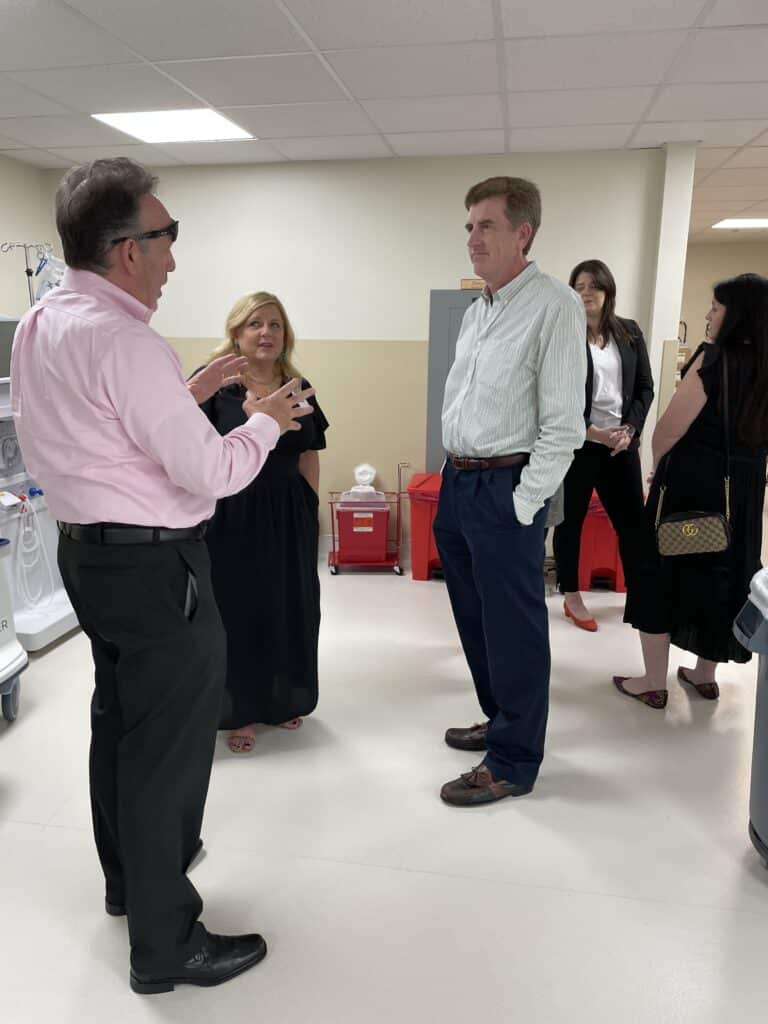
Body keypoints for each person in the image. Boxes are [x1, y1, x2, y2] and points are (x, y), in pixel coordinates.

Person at [10, 158, 315, 994]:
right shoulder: (124, 337)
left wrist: (191, 388)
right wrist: (261, 421)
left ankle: (128, 884)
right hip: (154, 565)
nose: (175, 258)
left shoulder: (45, 321)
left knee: (121, 729)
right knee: (169, 755)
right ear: (126, 249)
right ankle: (167, 944)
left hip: (91, 555)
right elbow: (209, 473)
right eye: (167, 237)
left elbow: (104, 430)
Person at [435, 175, 587, 806]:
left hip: (505, 488)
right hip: (457, 482)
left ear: (523, 233)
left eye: (486, 225)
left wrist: (525, 501)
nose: (472, 237)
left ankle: (515, 762)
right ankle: (501, 722)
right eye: (469, 225)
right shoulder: (479, 311)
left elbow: (564, 426)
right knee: (475, 620)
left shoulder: (555, 304)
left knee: (514, 628)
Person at [616, 273, 768, 708]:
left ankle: (653, 681)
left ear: (736, 315)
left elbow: (667, 429)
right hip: (742, 494)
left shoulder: (712, 360)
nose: (708, 315)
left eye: (716, 307)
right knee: (723, 575)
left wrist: (658, 470)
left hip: (690, 489)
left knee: (661, 570)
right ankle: (704, 675)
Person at [189, 293, 328, 753]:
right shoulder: (214, 389)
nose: (266, 332)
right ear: (236, 333)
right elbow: (192, 455)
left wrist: (310, 511)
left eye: (274, 324)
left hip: (288, 514)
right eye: (254, 324)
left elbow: (309, 452)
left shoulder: (298, 387)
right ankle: (240, 710)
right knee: (237, 608)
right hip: (231, 513)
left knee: (289, 603)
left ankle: (282, 698)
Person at [554, 259, 654, 631]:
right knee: (571, 521)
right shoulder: (565, 335)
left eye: (593, 286)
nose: (586, 293)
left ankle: (643, 596)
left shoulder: (629, 332)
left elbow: (645, 387)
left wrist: (630, 428)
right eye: (579, 286)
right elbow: (556, 396)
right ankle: (571, 593)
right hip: (580, 445)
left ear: (607, 290)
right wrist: (590, 430)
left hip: (619, 446)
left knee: (633, 524)